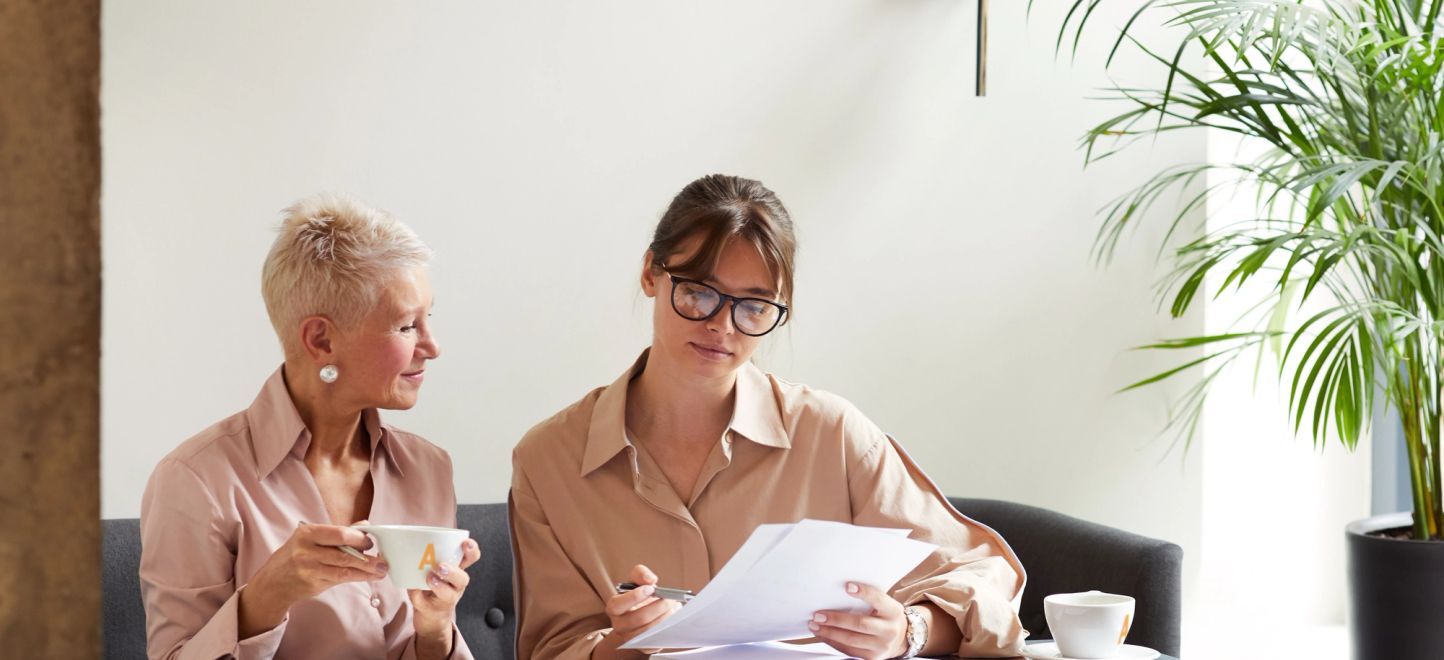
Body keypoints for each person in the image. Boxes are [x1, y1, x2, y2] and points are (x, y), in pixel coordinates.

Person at [510, 175, 1027, 659]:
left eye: (754, 307)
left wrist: (907, 631)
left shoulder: (833, 435)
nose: (721, 326)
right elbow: (550, 645)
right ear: (651, 272)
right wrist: (619, 645)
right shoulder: (549, 458)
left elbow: (983, 578)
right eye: (698, 292)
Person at [140, 193, 480, 659]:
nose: (432, 346)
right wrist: (266, 597)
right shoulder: (197, 480)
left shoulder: (428, 468)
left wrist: (436, 628)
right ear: (320, 340)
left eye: (429, 319)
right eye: (405, 326)